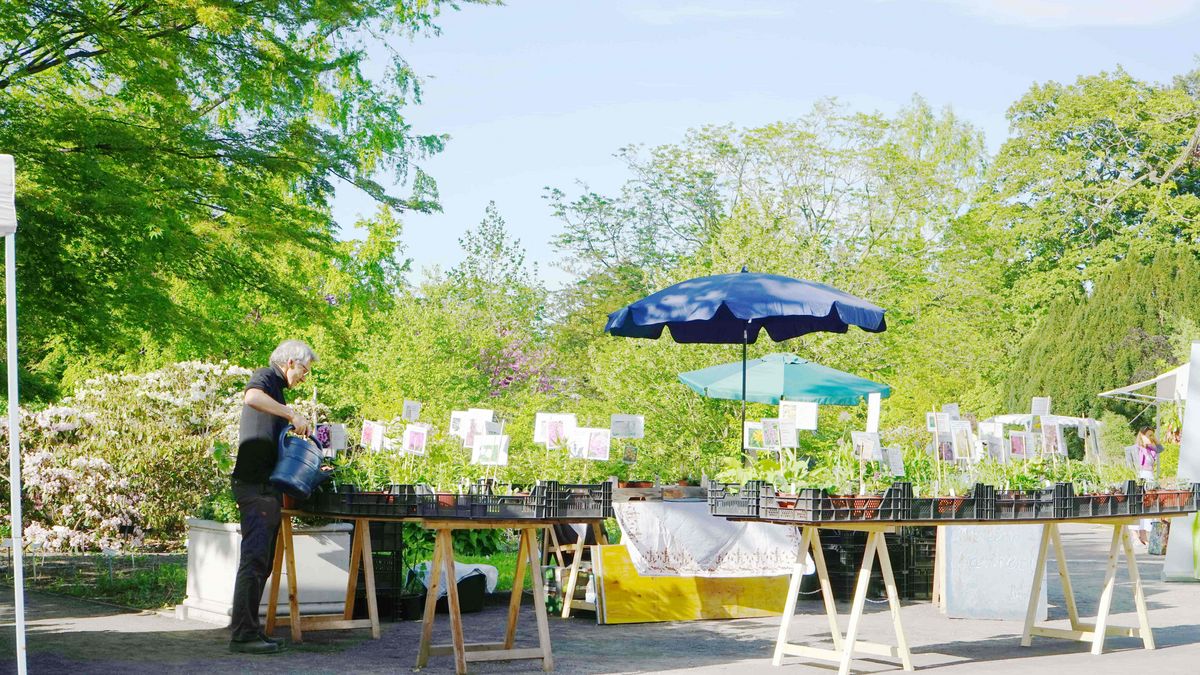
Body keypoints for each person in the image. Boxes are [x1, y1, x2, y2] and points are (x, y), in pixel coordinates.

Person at [228, 340, 316, 654]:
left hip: (266, 487)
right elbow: (251, 397)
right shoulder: (266, 376)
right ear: (291, 362)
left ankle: (249, 629)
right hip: (254, 486)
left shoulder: (277, 391)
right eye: (305, 369)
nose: (305, 376)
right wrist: (291, 414)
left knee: (260, 564)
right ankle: (242, 635)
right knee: (254, 562)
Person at [1134, 427, 1163, 546]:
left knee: (1148, 506)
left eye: (1152, 435)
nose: (1150, 437)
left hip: (1150, 477)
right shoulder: (1138, 449)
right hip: (1141, 476)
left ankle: (1144, 533)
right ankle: (1136, 535)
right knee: (1139, 505)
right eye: (1148, 435)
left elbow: (1160, 449)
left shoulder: (1151, 449)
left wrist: (1154, 439)